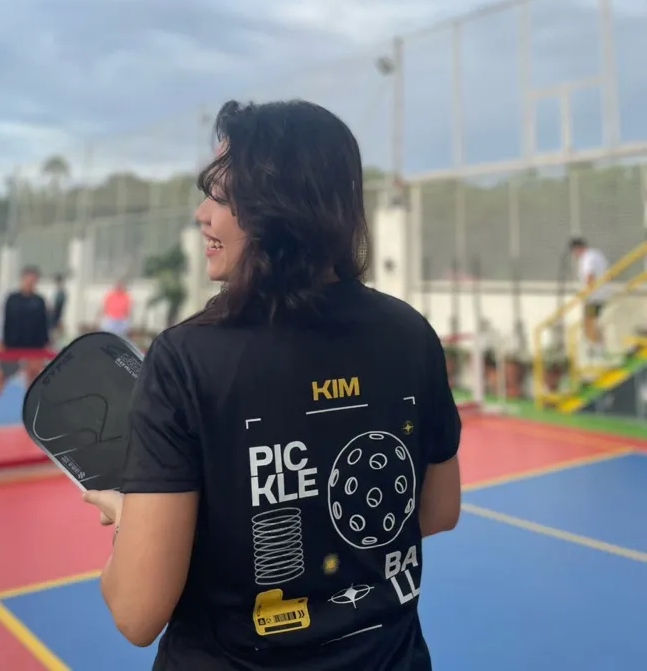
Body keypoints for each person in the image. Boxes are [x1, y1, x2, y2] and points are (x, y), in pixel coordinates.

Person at [83, 100, 462, 671]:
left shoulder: (186, 358)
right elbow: (438, 510)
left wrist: (131, 522)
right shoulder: (411, 334)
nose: (201, 215)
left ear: (276, 208)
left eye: (220, 197)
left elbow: (136, 612)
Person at [0, 265, 50, 429]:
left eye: (33, 279)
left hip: (34, 347)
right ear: (22, 279)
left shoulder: (39, 301)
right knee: (2, 376)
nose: (30, 282)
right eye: (28, 279)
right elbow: (2, 321)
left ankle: (30, 412)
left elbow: (44, 324)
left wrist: (46, 345)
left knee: (33, 379)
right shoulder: (11, 299)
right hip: (12, 346)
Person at [569, 236, 610, 359]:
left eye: (574, 251)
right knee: (595, 323)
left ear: (577, 248)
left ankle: (598, 352)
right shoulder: (596, 254)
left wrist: (585, 294)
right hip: (602, 294)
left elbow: (589, 275)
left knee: (588, 324)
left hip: (593, 297)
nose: (574, 255)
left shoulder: (587, 258)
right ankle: (600, 349)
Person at [50, 273, 67, 344]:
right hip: (54, 317)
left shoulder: (61, 292)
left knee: (55, 335)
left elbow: (58, 307)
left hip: (56, 317)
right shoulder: (56, 291)